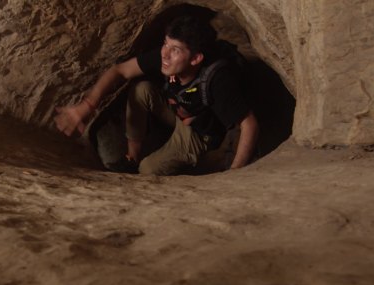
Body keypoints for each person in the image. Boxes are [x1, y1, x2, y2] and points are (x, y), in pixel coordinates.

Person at [54, 15, 259, 175]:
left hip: (199, 134)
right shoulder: (167, 58)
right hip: (180, 113)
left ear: (196, 58)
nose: (165, 53)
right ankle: (131, 158)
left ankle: (186, 163)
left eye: (175, 50)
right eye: (165, 43)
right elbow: (120, 71)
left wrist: (235, 173)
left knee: (148, 170)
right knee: (141, 89)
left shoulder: (217, 80)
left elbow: (249, 124)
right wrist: (86, 106)